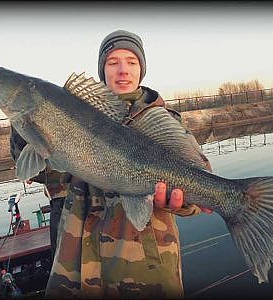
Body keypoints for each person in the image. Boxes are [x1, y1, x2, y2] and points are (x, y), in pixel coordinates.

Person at [45, 29, 212, 299]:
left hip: (146, 274)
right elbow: (45, 174)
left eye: (131, 62)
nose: (123, 70)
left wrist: (182, 203)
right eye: (113, 62)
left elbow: (200, 192)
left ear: (141, 69)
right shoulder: (69, 118)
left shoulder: (165, 123)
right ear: (102, 70)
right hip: (74, 271)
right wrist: (29, 127)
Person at [9, 127, 71, 261]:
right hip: (107, 196)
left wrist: (30, 170)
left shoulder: (25, 111)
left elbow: (21, 157)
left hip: (65, 200)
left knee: (63, 261)